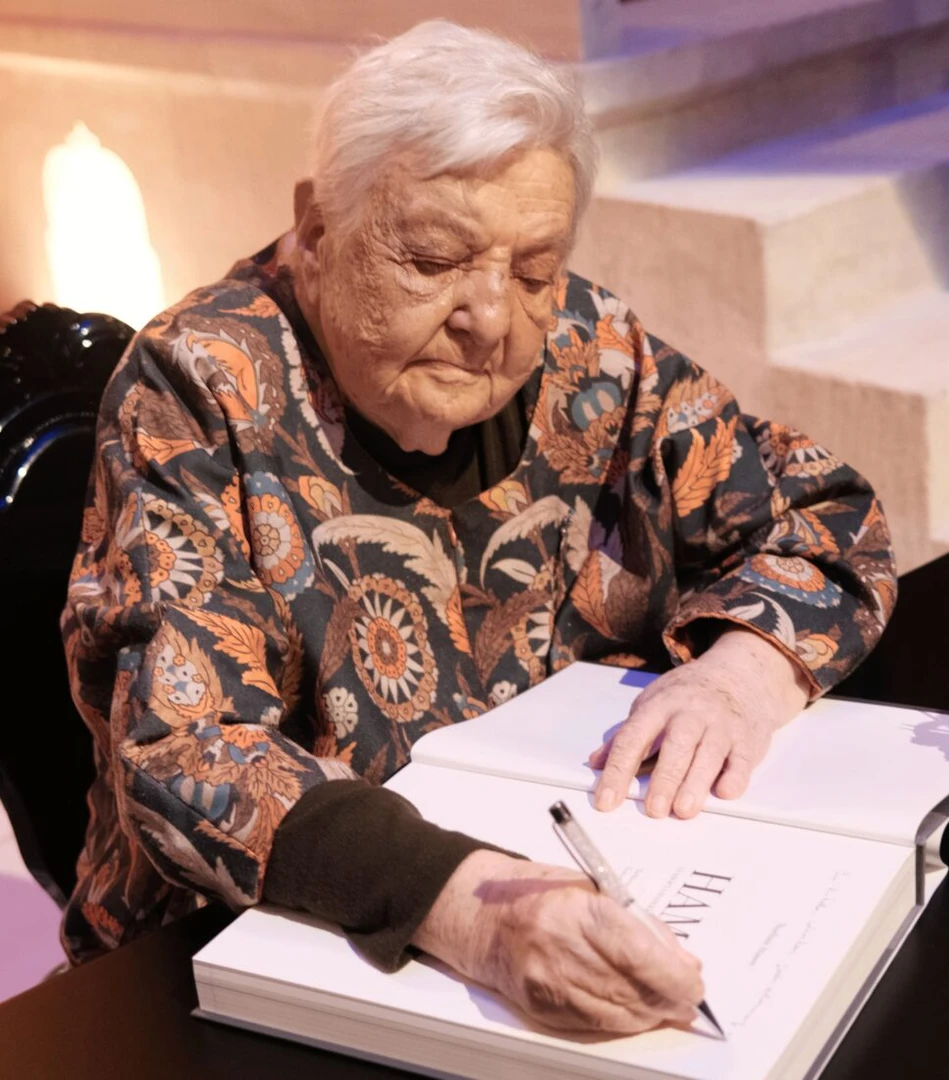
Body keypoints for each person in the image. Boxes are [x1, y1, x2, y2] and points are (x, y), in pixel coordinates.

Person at [61, 20, 896, 1036]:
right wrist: (481, 915)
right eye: (432, 258)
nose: (493, 317)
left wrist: (742, 674)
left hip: (592, 859)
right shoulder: (202, 383)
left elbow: (821, 509)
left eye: (535, 268)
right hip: (247, 958)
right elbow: (187, 752)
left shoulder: (590, 352)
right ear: (316, 231)